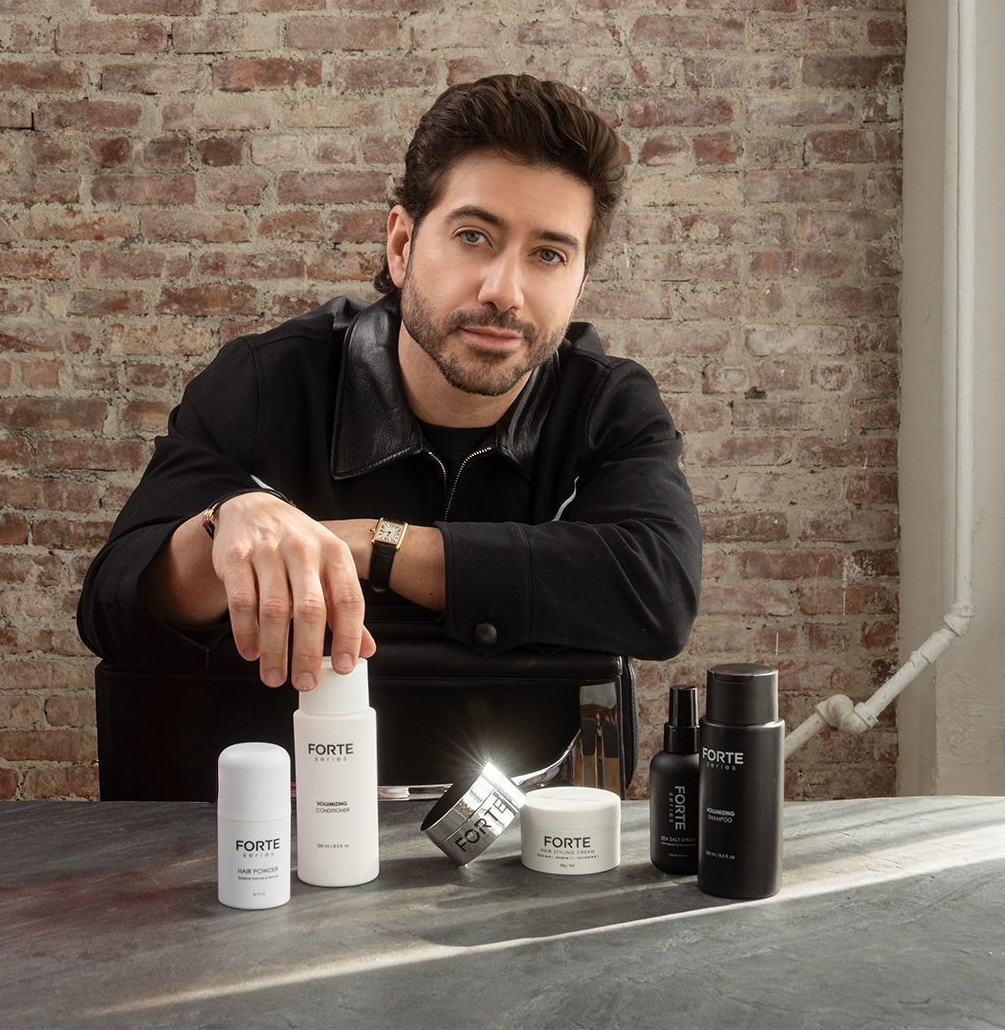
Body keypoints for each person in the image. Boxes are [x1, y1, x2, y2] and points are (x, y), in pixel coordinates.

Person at [78, 75, 702, 703]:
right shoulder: (267, 381)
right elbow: (112, 609)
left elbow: (658, 592)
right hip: (287, 789)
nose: (504, 292)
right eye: (473, 237)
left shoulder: (609, 405)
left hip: (531, 795)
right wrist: (223, 528)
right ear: (402, 245)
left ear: (579, 282)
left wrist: (374, 544)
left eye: (549, 255)